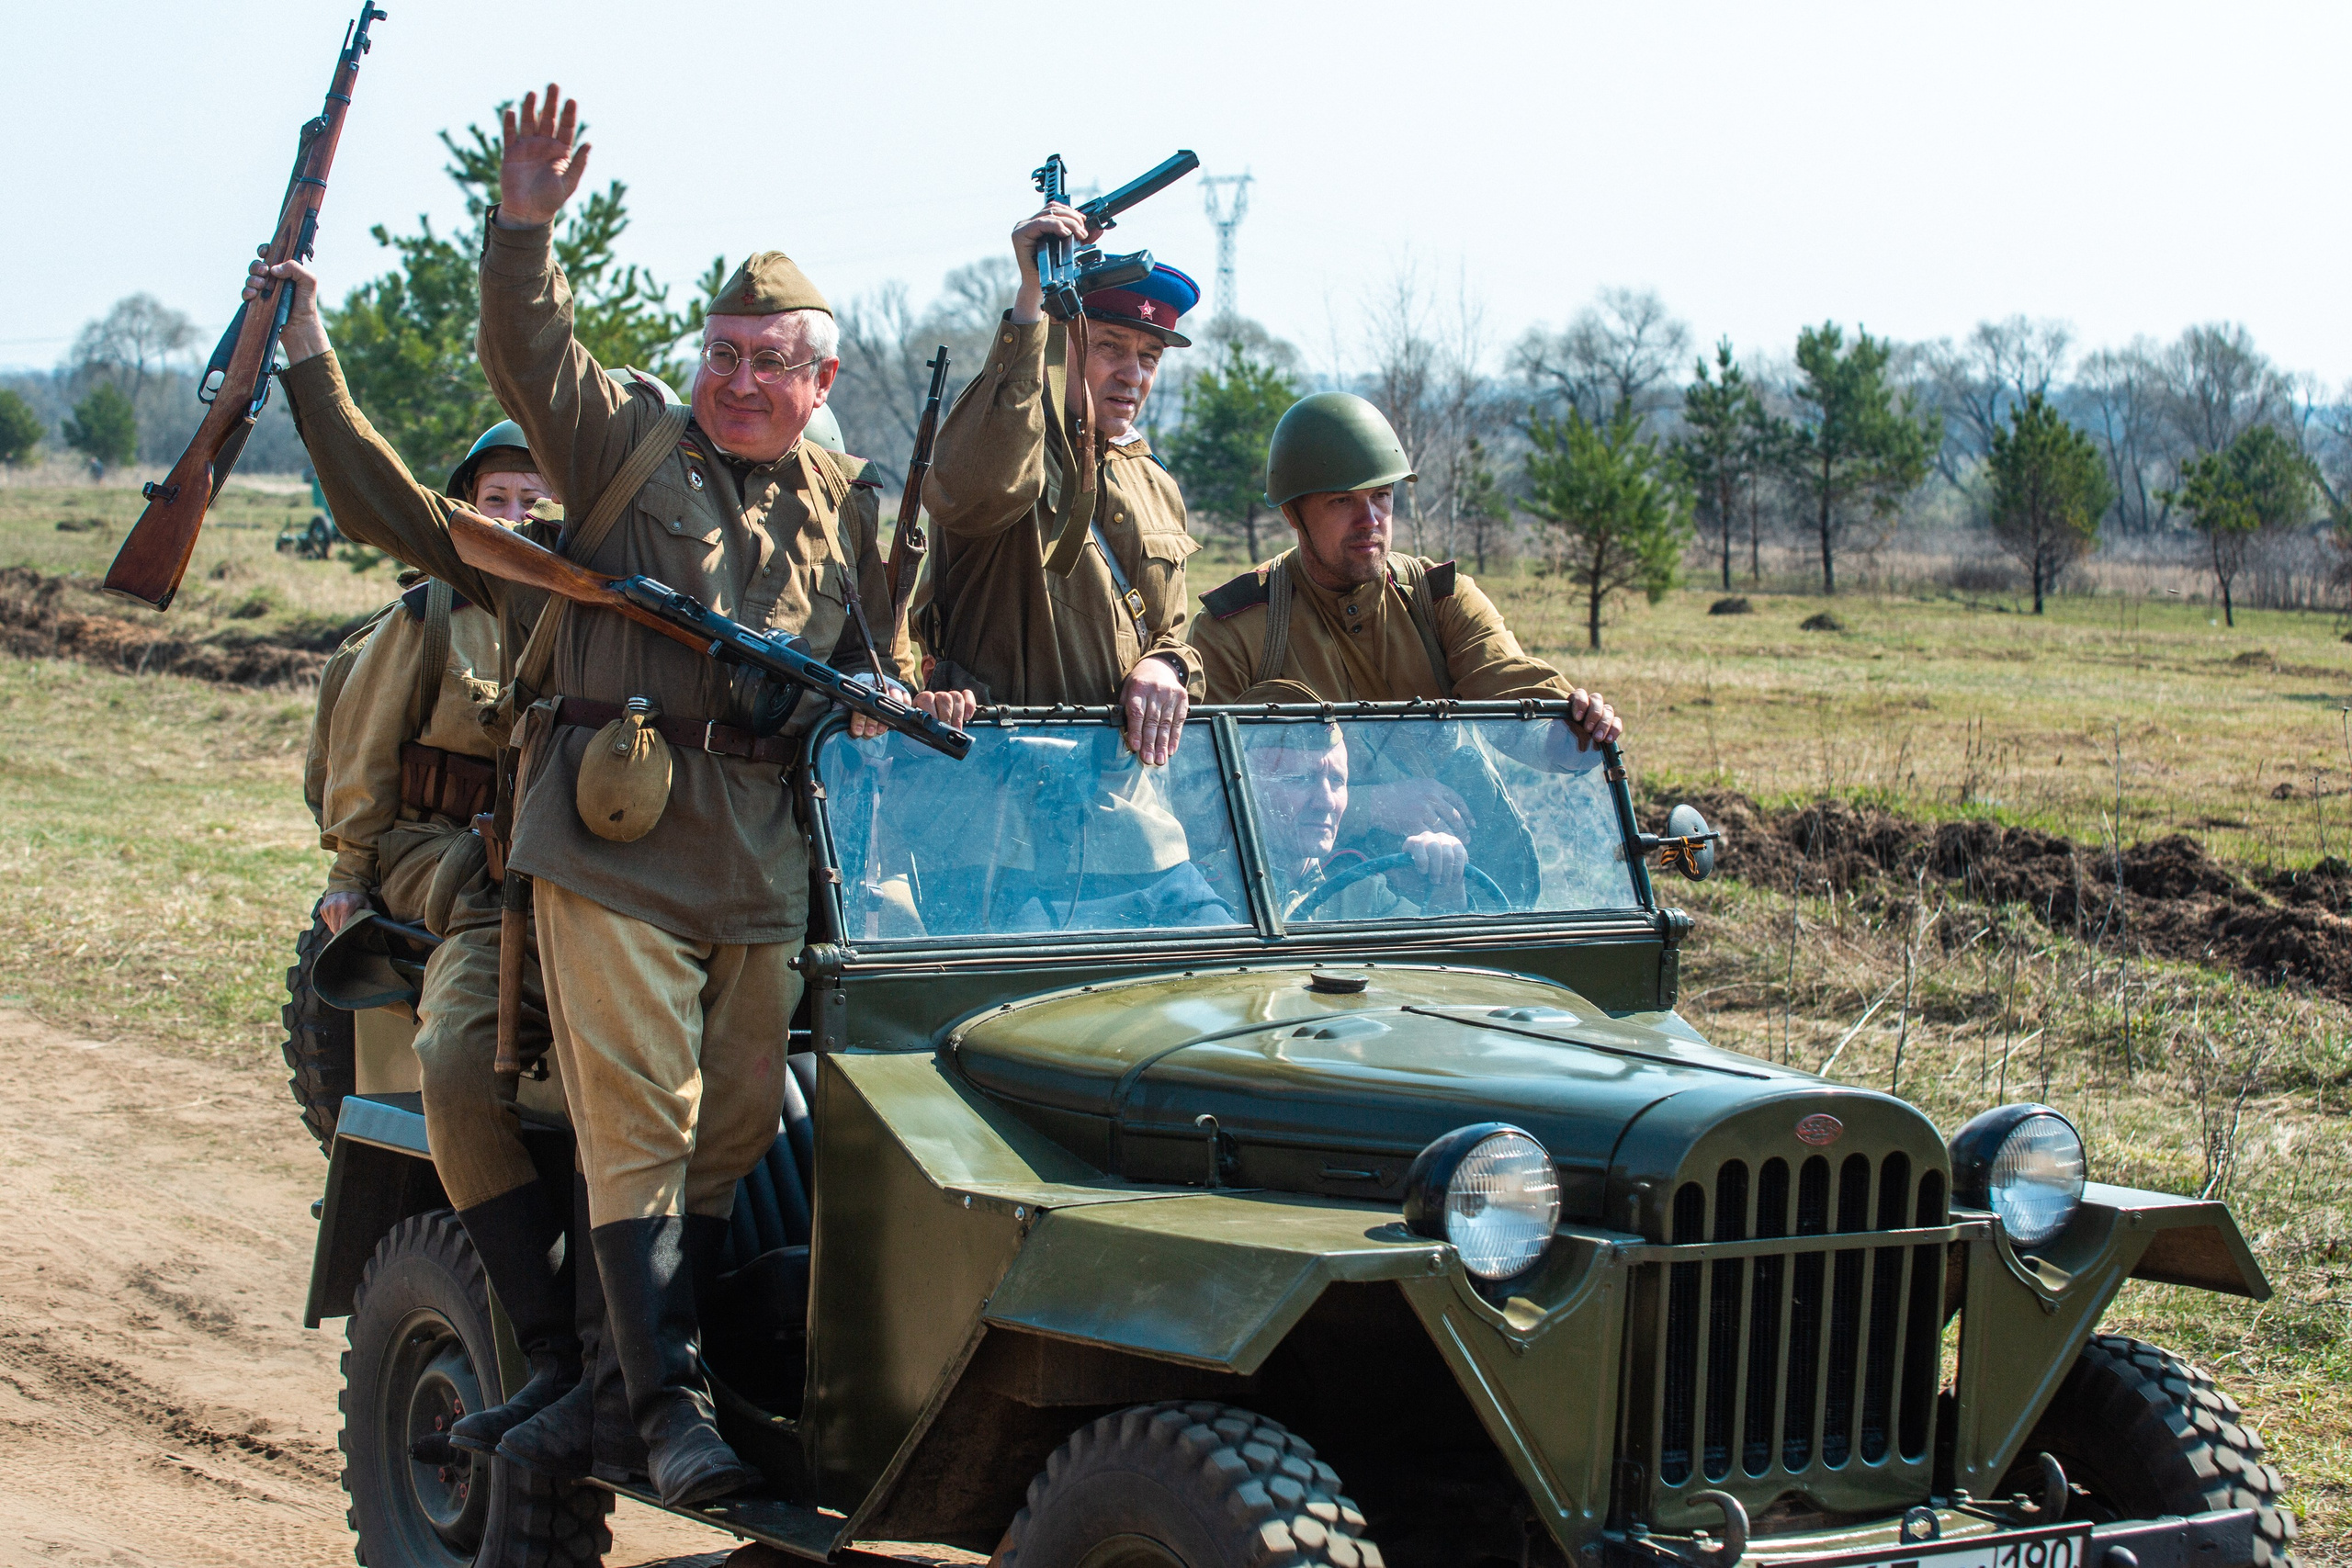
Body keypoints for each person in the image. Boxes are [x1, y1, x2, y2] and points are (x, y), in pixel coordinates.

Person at [473, 84, 960, 1507]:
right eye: (723, 353)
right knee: (645, 1110)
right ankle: (666, 1412)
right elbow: (529, 349)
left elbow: (879, 656)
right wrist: (524, 228)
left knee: (739, 1117)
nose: (738, 380)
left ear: (822, 377)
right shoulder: (623, 443)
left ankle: (589, 1391)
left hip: (760, 851)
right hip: (616, 835)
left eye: (769, 362)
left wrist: (911, 694)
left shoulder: (848, 501)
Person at [304, 410, 586, 1461]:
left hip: (553, 852)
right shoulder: (430, 614)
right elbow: (362, 758)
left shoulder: (580, 601)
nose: (516, 515)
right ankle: (545, 1336)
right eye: (496, 499)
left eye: (535, 498)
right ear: (462, 508)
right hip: (433, 848)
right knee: (478, 904)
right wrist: (348, 874)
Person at [917, 194, 1204, 766]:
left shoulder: (1155, 484)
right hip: (997, 786)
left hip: (1121, 793)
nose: (1133, 374)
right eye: (1109, 347)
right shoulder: (1010, 445)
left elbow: (1172, 632)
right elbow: (978, 486)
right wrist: (1032, 299)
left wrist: (1166, 665)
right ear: (1058, 345)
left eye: (1150, 356)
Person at [1191, 392, 1623, 742]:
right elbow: (1209, 787)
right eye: (1342, 501)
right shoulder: (1236, 631)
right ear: (1292, 513)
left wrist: (1576, 729)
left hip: (1457, 821)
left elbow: (1511, 695)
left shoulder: (1442, 600)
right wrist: (1378, 804)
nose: (1370, 520)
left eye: (1381, 495)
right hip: (1312, 828)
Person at [1244, 720, 1469, 919]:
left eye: (1337, 781)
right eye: (1301, 779)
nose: (1327, 802)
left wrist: (1446, 882)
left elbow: (1432, 950)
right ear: (1251, 788)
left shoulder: (1359, 889)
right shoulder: (1224, 889)